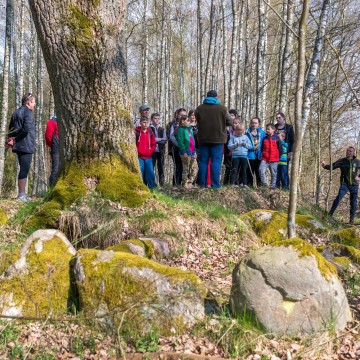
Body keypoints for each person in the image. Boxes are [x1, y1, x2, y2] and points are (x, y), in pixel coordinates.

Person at [195, 90, 232, 188]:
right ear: (216, 97)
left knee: (203, 162)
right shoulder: (222, 108)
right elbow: (230, 122)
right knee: (216, 162)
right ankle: (215, 185)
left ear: (206, 97)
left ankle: (202, 185)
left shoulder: (199, 108)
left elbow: (198, 121)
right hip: (218, 139)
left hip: (203, 139)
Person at [7, 93, 36, 202]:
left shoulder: (16, 112)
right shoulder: (28, 112)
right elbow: (26, 130)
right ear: (28, 102)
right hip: (25, 144)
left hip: (18, 145)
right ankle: (21, 195)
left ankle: (21, 194)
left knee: (23, 168)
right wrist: (14, 140)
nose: (34, 104)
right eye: (33, 102)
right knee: (24, 169)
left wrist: (10, 139)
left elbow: (11, 129)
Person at [321, 147, 360, 224]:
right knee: (338, 198)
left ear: (353, 153)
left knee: (353, 203)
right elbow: (332, 166)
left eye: (350, 151)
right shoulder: (342, 161)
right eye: (347, 151)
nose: (348, 152)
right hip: (344, 184)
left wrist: (358, 177)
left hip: (354, 185)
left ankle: (351, 221)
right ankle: (330, 215)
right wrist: (324, 165)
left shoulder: (357, 162)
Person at [228, 123, 253, 188]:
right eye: (238, 130)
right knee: (234, 169)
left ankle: (244, 183)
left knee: (244, 170)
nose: (240, 132)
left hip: (244, 156)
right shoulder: (233, 137)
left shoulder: (246, 137)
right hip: (235, 156)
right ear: (236, 130)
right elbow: (229, 146)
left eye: (241, 131)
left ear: (244, 130)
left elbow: (250, 146)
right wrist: (236, 145)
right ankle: (233, 183)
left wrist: (245, 144)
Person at [176, 115, 198, 189]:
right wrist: (184, 152)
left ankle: (190, 182)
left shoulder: (190, 129)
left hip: (192, 152)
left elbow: (192, 141)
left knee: (194, 167)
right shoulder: (181, 130)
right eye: (188, 120)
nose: (189, 122)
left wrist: (195, 151)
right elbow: (180, 142)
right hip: (185, 152)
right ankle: (185, 183)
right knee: (186, 168)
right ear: (183, 121)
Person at [135, 116, 157, 189]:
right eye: (144, 122)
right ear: (140, 123)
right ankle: (142, 187)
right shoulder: (137, 132)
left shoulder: (150, 132)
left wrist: (150, 151)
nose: (145, 124)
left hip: (148, 157)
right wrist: (137, 151)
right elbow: (134, 144)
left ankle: (152, 188)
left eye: (147, 122)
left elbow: (154, 144)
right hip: (139, 157)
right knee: (141, 172)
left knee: (150, 172)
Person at [259, 123, 282, 191]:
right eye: (266, 129)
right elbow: (262, 148)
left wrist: (277, 158)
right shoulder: (264, 139)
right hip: (265, 159)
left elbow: (281, 150)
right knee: (261, 170)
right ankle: (264, 184)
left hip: (274, 159)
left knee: (273, 173)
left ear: (273, 130)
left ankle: (272, 187)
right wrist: (262, 155)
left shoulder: (277, 138)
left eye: (269, 129)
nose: (267, 130)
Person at [167, 108, 187, 186]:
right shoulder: (173, 124)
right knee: (177, 166)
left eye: (184, 115)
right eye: (181, 115)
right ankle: (175, 184)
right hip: (175, 149)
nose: (182, 116)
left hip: (185, 149)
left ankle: (184, 184)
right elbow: (171, 137)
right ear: (177, 115)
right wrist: (179, 145)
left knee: (184, 166)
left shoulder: (186, 123)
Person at [275, 112, 294, 186]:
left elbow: (292, 140)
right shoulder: (274, 127)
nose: (278, 119)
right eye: (277, 118)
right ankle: (276, 186)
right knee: (276, 170)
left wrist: (291, 151)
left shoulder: (289, 127)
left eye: (279, 118)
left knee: (284, 170)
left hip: (285, 152)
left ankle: (285, 187)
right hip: (276, 152)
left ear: (283, 118)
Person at [246, 117, 265, 187]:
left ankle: (260, 186)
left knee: (258, 172)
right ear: (251, 123)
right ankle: (250, 186)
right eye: (253, 123)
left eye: (256, 123)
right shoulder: (246, 132)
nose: (254, 124)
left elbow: (264, 143)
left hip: (259, 155)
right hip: (250, 155)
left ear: (258, 124)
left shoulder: (262, 133)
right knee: (250, 172)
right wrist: (252, 148)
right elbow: (245, 144)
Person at [150, 112, 167, 186]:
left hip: (161, 151)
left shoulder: (162, 129)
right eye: (155, 118)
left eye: (158, 119)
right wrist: (160, 139)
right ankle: (152, 183)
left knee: (161, 168)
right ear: (152, 119)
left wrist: (156, 140)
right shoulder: (149, 129)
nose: (157, 120)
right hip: (152, 151)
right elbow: (150, 140)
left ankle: (162, 184)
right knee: (151, 168)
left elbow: (165, 140)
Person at [223, 109, 238, 185]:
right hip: (227, 151)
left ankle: (235, 182)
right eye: (229, 115)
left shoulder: (239, 130)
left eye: (232, 115)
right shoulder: (226, 127)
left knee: (235, 168)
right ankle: (225, 182)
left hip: (236, 152)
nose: (231, 117)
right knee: (227, 167)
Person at [45, 114, 60, 187]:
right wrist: (52, 144)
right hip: (56, 147)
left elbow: (48, 136)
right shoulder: (52, 121)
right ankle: (51, 189)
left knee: (57, 168)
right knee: (56, 169)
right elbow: (48, 136)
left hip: (57, 147)